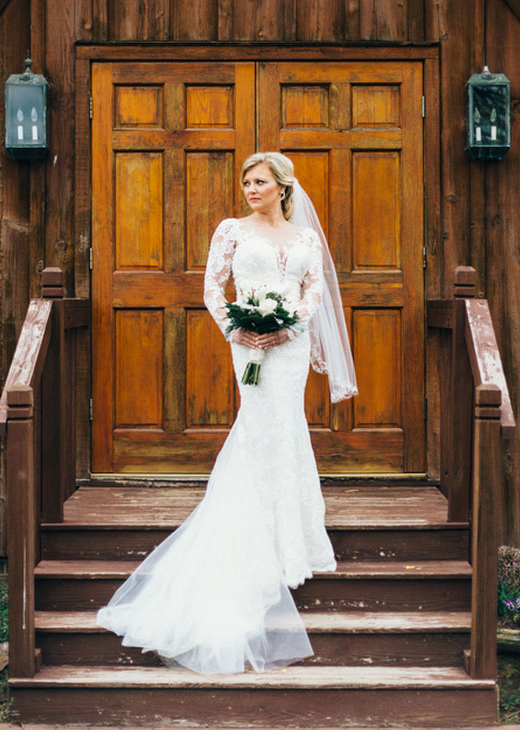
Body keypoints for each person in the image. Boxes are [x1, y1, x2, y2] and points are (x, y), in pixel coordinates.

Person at [96, 151, 357, 675]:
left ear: (283, 187)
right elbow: (213, 289)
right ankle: (252, 534)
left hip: (289, 349)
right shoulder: (230, 231)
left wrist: (289, 327)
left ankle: (294, 540)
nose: (249, 188)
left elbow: (313, 292)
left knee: (288, 428)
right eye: (246, 181)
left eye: (259, 181)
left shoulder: (305, 239)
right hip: (249, 344)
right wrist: (237, 328)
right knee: (258, 426)